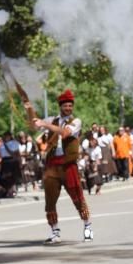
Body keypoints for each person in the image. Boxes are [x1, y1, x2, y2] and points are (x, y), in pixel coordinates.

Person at [33, 89, 93, 244]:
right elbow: (34, 126)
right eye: (65, 106)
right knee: (50, 201)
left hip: (68, 164)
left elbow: (64, 133)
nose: (68, 108)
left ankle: (87, 226)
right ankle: (55, 232)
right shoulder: (51, 120)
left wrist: (44, 124)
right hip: (52, 164)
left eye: (70, 106)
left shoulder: (76, 121)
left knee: (77, 197)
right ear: (60, 106)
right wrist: (31, 116)